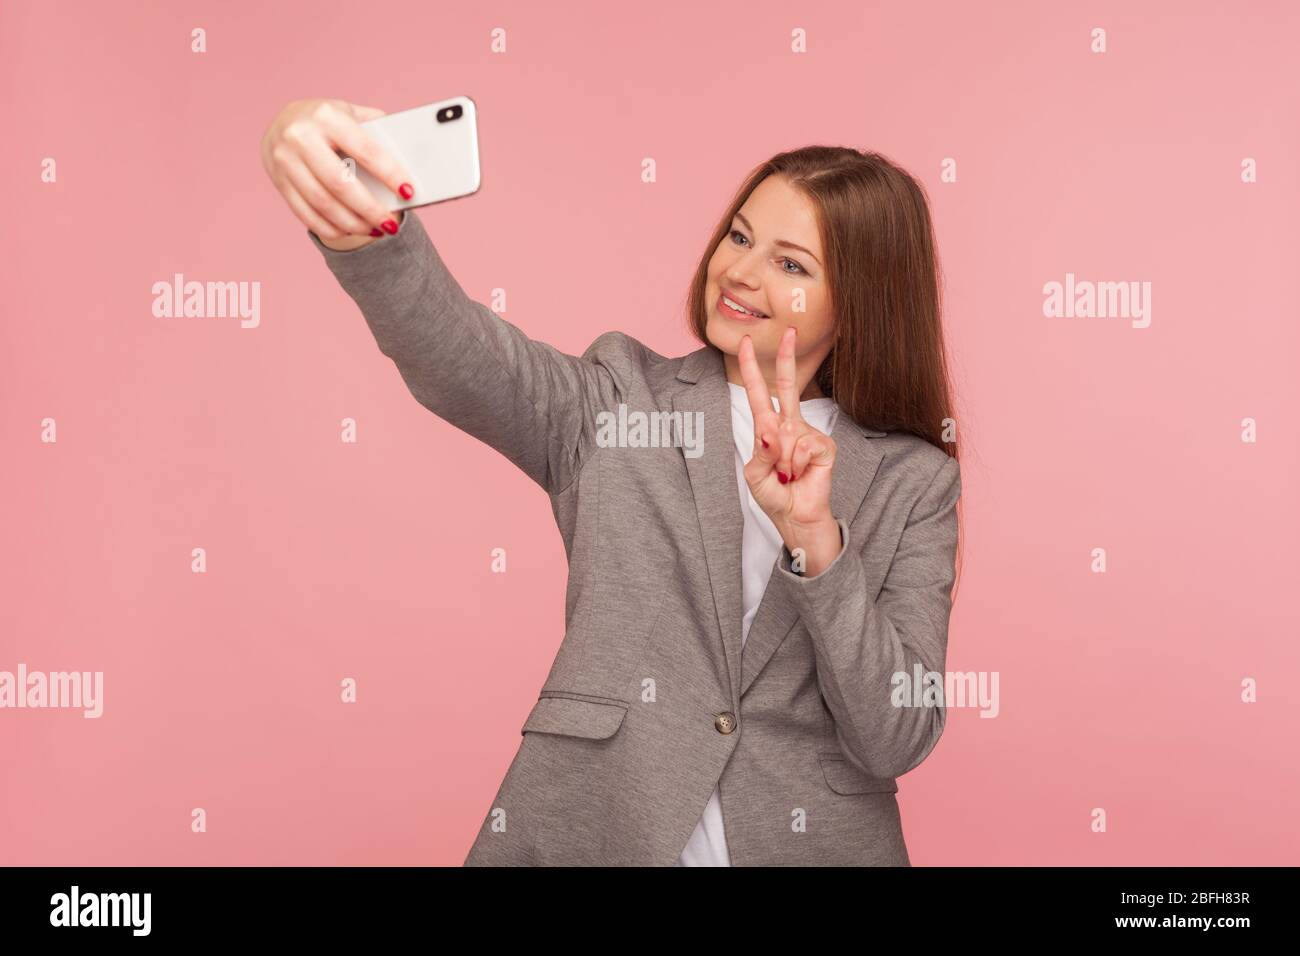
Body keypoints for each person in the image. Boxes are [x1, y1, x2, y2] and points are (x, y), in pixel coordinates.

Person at [260, 99, 964, 865]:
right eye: (739, 236)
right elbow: (458, 357)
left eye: (790, 264)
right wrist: (363, 229)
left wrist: (817, 546)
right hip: (592, 831)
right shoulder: (618, 398)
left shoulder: (915, 482)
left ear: (859, 303)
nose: (739, 271)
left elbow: (895, 735)